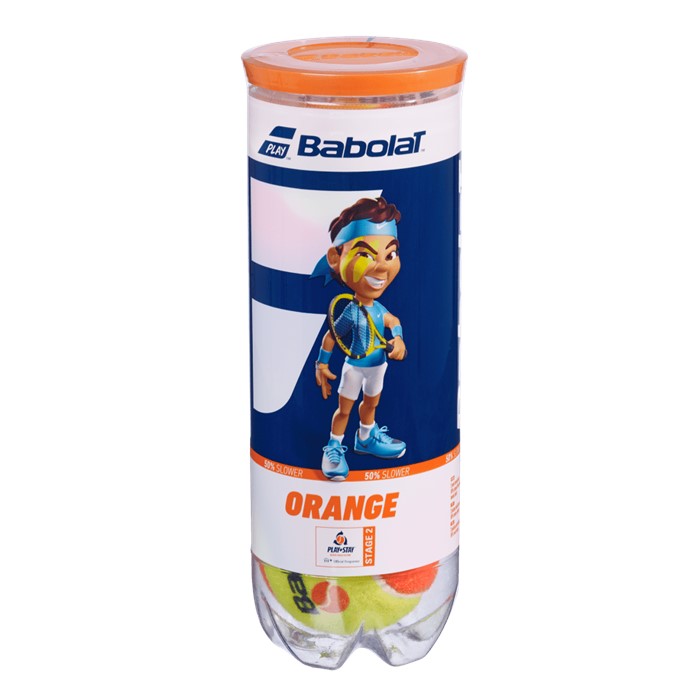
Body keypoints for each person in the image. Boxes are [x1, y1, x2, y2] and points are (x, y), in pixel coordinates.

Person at [311, 197, 407, 481]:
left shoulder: (379, 309)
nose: (381, 268)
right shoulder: (351, 310)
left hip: (378, 366)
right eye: (366, 255)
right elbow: (332, 336)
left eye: (390, 255)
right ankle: (334, 446)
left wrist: (399, 339)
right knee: (344, 409)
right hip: (354, 368)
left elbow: (394, 322)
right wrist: (321, 364)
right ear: (335, 258)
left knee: (371, 405)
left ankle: (366, 437)